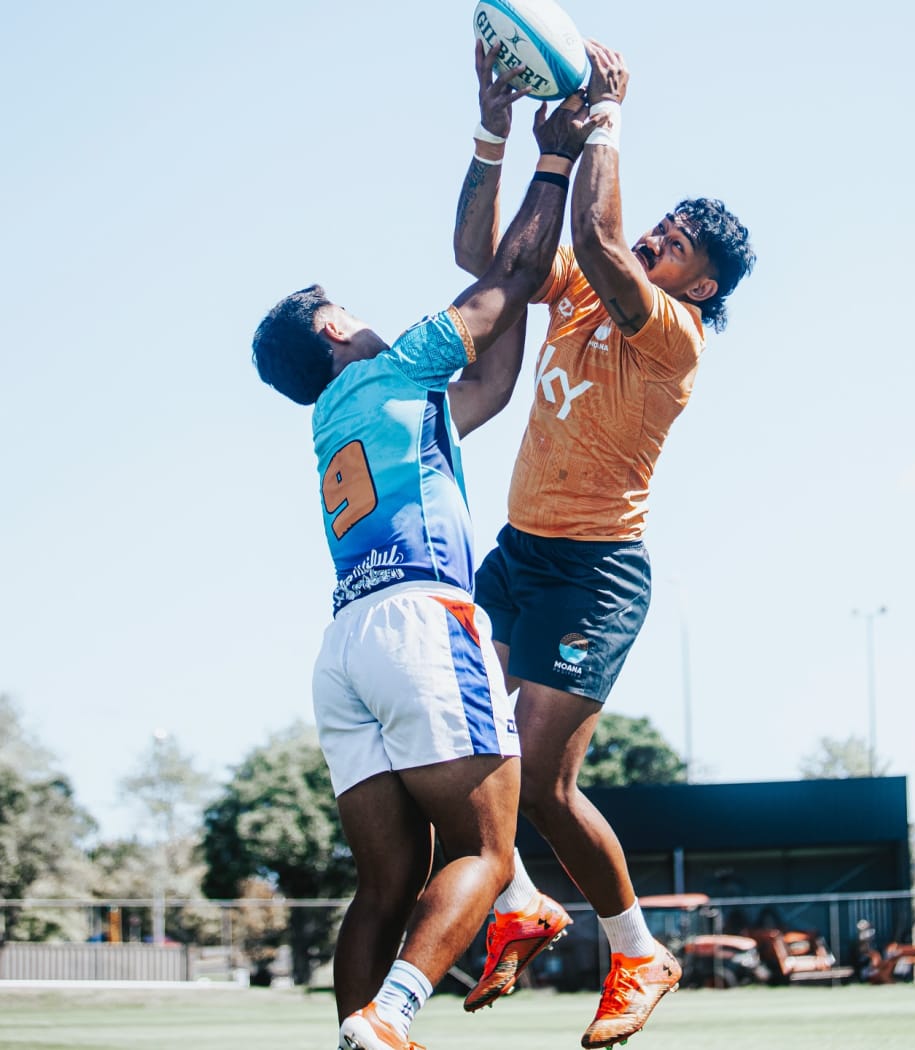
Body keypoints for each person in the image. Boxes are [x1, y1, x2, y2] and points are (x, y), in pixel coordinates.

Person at [251, 88, 602, 1050]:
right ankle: (394, 1019)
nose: (366, 322)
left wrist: (521, 281)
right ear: (331, 331)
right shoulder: (389, 370)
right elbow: (512, 271)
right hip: (421, 622)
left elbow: (490, 377)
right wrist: (554, 160)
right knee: (489, 849)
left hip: (346, 647)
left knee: (383, 882)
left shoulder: (347, 417)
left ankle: (351, 1040)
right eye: (351, 314)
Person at [453, 40, 756, 1049]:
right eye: (659, 227)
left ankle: (637, 950)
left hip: (595, 577)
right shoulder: (584, 288)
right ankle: (520, 907)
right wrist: (510, 135)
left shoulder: (672, 333)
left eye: (678, 244)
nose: (658, 240)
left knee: (540, 781)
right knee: (451, 744)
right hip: (517, 554)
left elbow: (600, 232)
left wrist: (607, 118)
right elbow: (483, 257)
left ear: (700, 287)